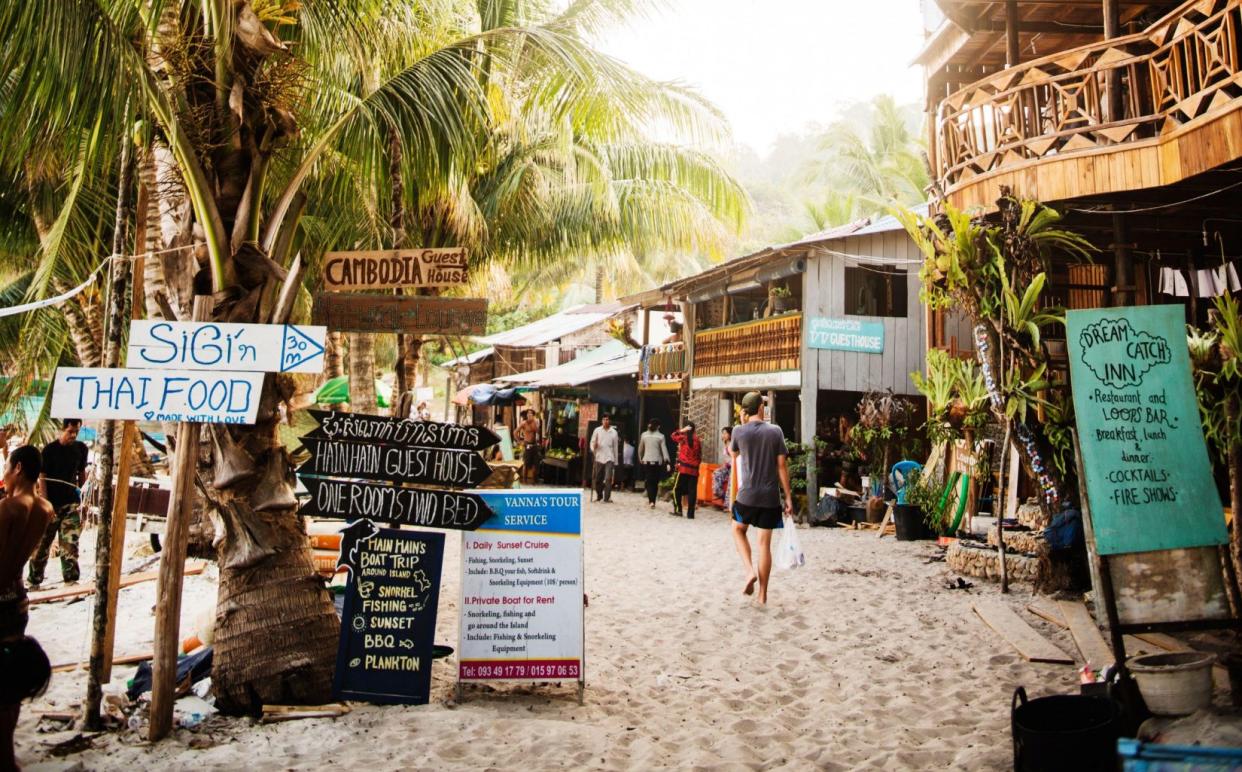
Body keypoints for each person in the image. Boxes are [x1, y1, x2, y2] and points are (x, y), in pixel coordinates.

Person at [0, 445, 55, 770]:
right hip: (17, 602)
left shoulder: (8, 509)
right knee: (9, 680)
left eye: (7, 466)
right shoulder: (44, 508)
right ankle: (7, 750)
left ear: (18, 468)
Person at [731, 392, 793, 605]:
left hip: (746, 495)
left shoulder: (738, 431)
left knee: (738, 529)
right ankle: (762, 595)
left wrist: (741, 423)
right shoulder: (775, 431)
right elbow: (782, 466)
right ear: (761, 408)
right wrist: (789, 498)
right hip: (769, 497)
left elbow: (734, 457)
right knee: (764, 545)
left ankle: (749, 571)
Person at [28, 419, 88, 588]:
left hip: (71, 503)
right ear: (62, 429)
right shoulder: (49, 451)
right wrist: (46, 504)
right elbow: (42, 478)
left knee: (70, 543)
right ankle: (34, 580)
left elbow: (81, 473)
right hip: (52, 503)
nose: (73, 435)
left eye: (76, 431)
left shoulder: (81, 449)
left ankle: (70, 579)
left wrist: (83, 496)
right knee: (43, 544)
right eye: (70, 431)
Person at [670, 422, 702, 519]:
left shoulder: (683, 438)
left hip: (683, 469)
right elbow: (700, 455)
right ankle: (690, 514)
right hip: (694, 470)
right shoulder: (697, 440)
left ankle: (678, 510)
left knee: (676, 490)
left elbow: (673, 436)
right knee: (692, 492)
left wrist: (681, 430)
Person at [638, 420, 671, 508]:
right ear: (658, 427)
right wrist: (667, 462)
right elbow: (664, 450)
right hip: (657, 462)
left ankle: (651, 501)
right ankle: (653, 501)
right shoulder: (661, 436)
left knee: (649, 481)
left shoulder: (644, 435)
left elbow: (640, 448)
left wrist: (640, 457)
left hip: (646, 461)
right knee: (655, 482)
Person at [589, 415, 621, 503]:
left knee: (608, 478)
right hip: (599, 456)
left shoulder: (613, 432)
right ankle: (599, 496)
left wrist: (616, 461)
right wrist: (593, 447)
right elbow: (592, 442)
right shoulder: (597, 430)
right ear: (601, 421)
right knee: (598, 478)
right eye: (604, 419)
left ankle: (607, 498)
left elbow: (615, 447)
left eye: (607, 419)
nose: (605, 421)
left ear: (609, 421)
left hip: (609, 457)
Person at [515, 410, 543, 485]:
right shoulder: (524, 423)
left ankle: (534, 480)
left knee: (535, 463)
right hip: (527, 444)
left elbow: (538, 432)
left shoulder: (535, 422)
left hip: (534, 445)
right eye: (528, 413)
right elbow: (515, 432)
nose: (530, 415)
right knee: (526, 464)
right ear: (527, 415)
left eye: (531, 414)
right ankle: (524, 481)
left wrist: (535, 424)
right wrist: (520, 442)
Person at [712, 426, 733, 506]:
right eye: (722, 433)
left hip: (733, 467)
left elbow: (733, 458)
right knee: (716, 473)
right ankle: (720, 494)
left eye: (725, 433)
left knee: (731, 483)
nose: (723, 435)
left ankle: (728, 504)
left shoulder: (731, 445)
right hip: (727, 467)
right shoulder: (726, 444)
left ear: (730, 435)